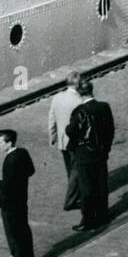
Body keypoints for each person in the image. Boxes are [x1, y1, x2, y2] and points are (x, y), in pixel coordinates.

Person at [65, 79, 114, 231]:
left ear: (80, 93)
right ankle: (103, 215)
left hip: (84, 155)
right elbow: (110, 130)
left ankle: (88, 220)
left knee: (87, 189)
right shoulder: (104, 107)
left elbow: (71, 131)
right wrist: (105, 148)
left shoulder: (80, 111)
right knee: (101, 185)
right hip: (100, 153)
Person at [0, 129, 35, 257]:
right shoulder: (22, 152)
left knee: (14, 236)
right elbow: (31, 171)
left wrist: (1, 185)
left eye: (0, 142)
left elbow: (8, 186)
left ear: (9, 142)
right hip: (21, 200)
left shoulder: (9, 160)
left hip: (10, 204)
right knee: (23, 231)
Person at [47, 70, 84, 211]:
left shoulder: (57, 97)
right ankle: (70, 200)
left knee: (70, 168)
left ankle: (75, 192)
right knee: (77, 169)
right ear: (78, 84)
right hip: (76, 141)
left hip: (63, 140)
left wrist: (52, 136)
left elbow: (52, 118)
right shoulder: (79, 101)